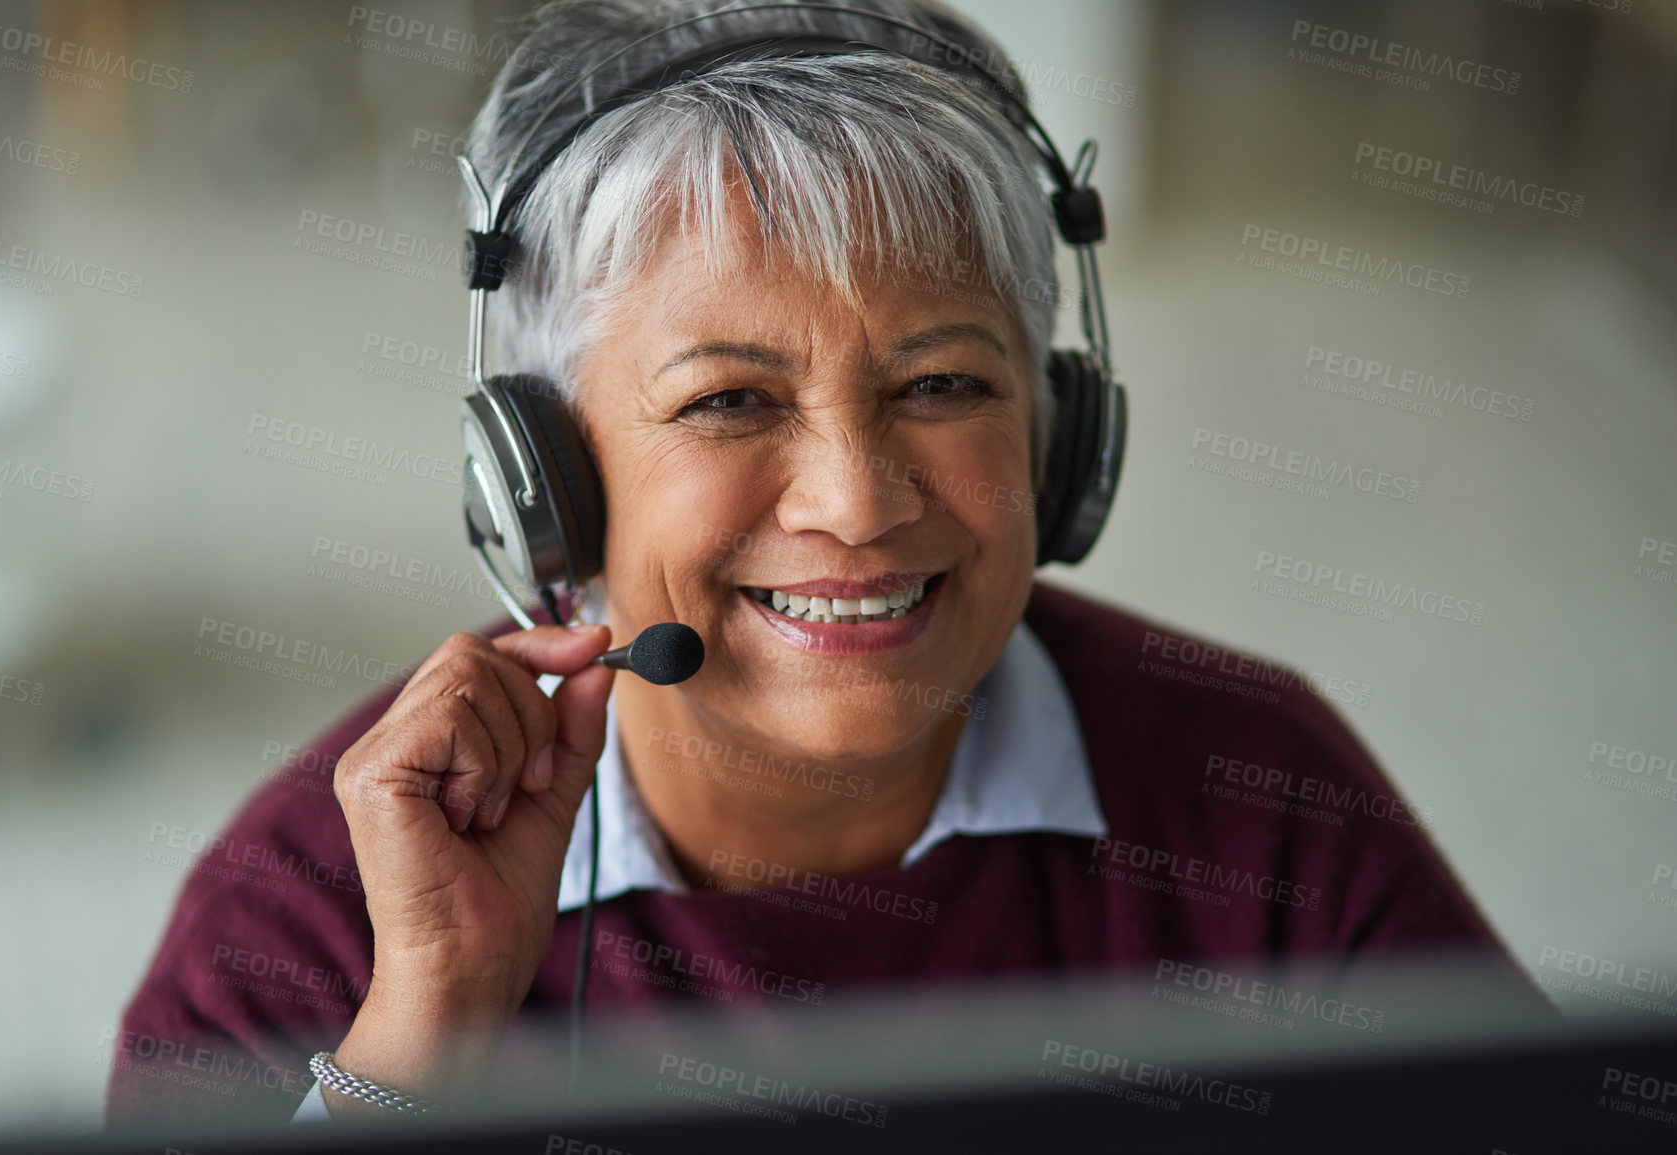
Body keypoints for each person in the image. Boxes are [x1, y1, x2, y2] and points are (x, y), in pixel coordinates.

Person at [106, 0, 1540, 1130]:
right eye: (729, 400)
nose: (857, 505)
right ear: (541, 478)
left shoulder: (1259, 800)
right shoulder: (317, 902)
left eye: (942, 385)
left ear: (1058, 434)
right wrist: (420, 1035)